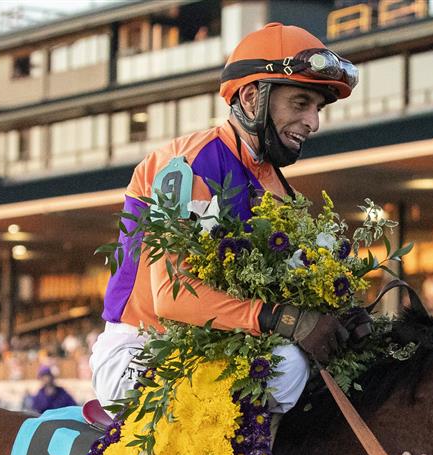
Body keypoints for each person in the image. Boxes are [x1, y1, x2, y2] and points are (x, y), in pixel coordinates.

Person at [94, 22, 360, 413]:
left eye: (317, 109)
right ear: (252, 98)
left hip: (219, 344)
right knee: (284, 368)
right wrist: (286, 320)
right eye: (300, 104)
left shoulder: (281, 192)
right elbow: (173, 299)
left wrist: (340, 320)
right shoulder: (187, 166)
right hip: (141, 349)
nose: (313, 123)